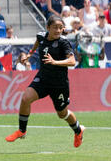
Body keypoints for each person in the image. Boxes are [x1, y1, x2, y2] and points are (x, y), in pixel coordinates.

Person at [5, 16, 85, 147]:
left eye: (60, 28)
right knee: (25, 98)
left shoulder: (63, 43)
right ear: (48, 28)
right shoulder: (41, 36)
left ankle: (78, 131)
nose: (58, 30)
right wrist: (30, 54)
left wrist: (55, 62)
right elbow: (38, 41)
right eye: (55, 28)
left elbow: (72, 61)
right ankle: (22, 131)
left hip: (59, 84)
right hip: (43, 78)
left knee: (62, 114)